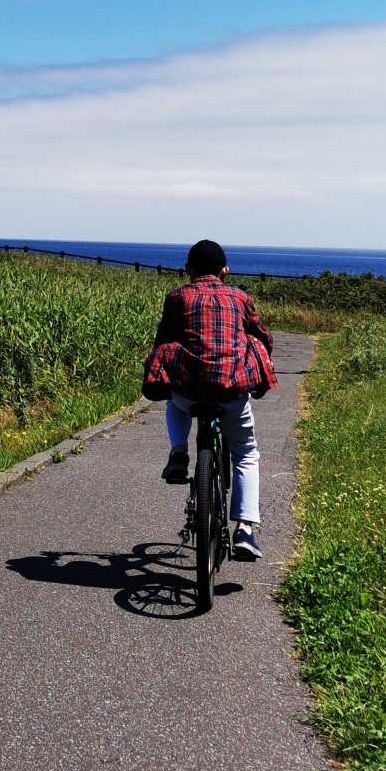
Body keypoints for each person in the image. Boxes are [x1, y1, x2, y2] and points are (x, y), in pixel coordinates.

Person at [142, 239, 276, 563]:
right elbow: (263, 337)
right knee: (245, 453)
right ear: (224, 271)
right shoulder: (240, 297)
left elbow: (164, 337)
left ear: (188, 270)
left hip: (189, 393)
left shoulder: (177, 296)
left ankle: (178, 453)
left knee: (174, 402)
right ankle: (245, 529)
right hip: (231, 392)